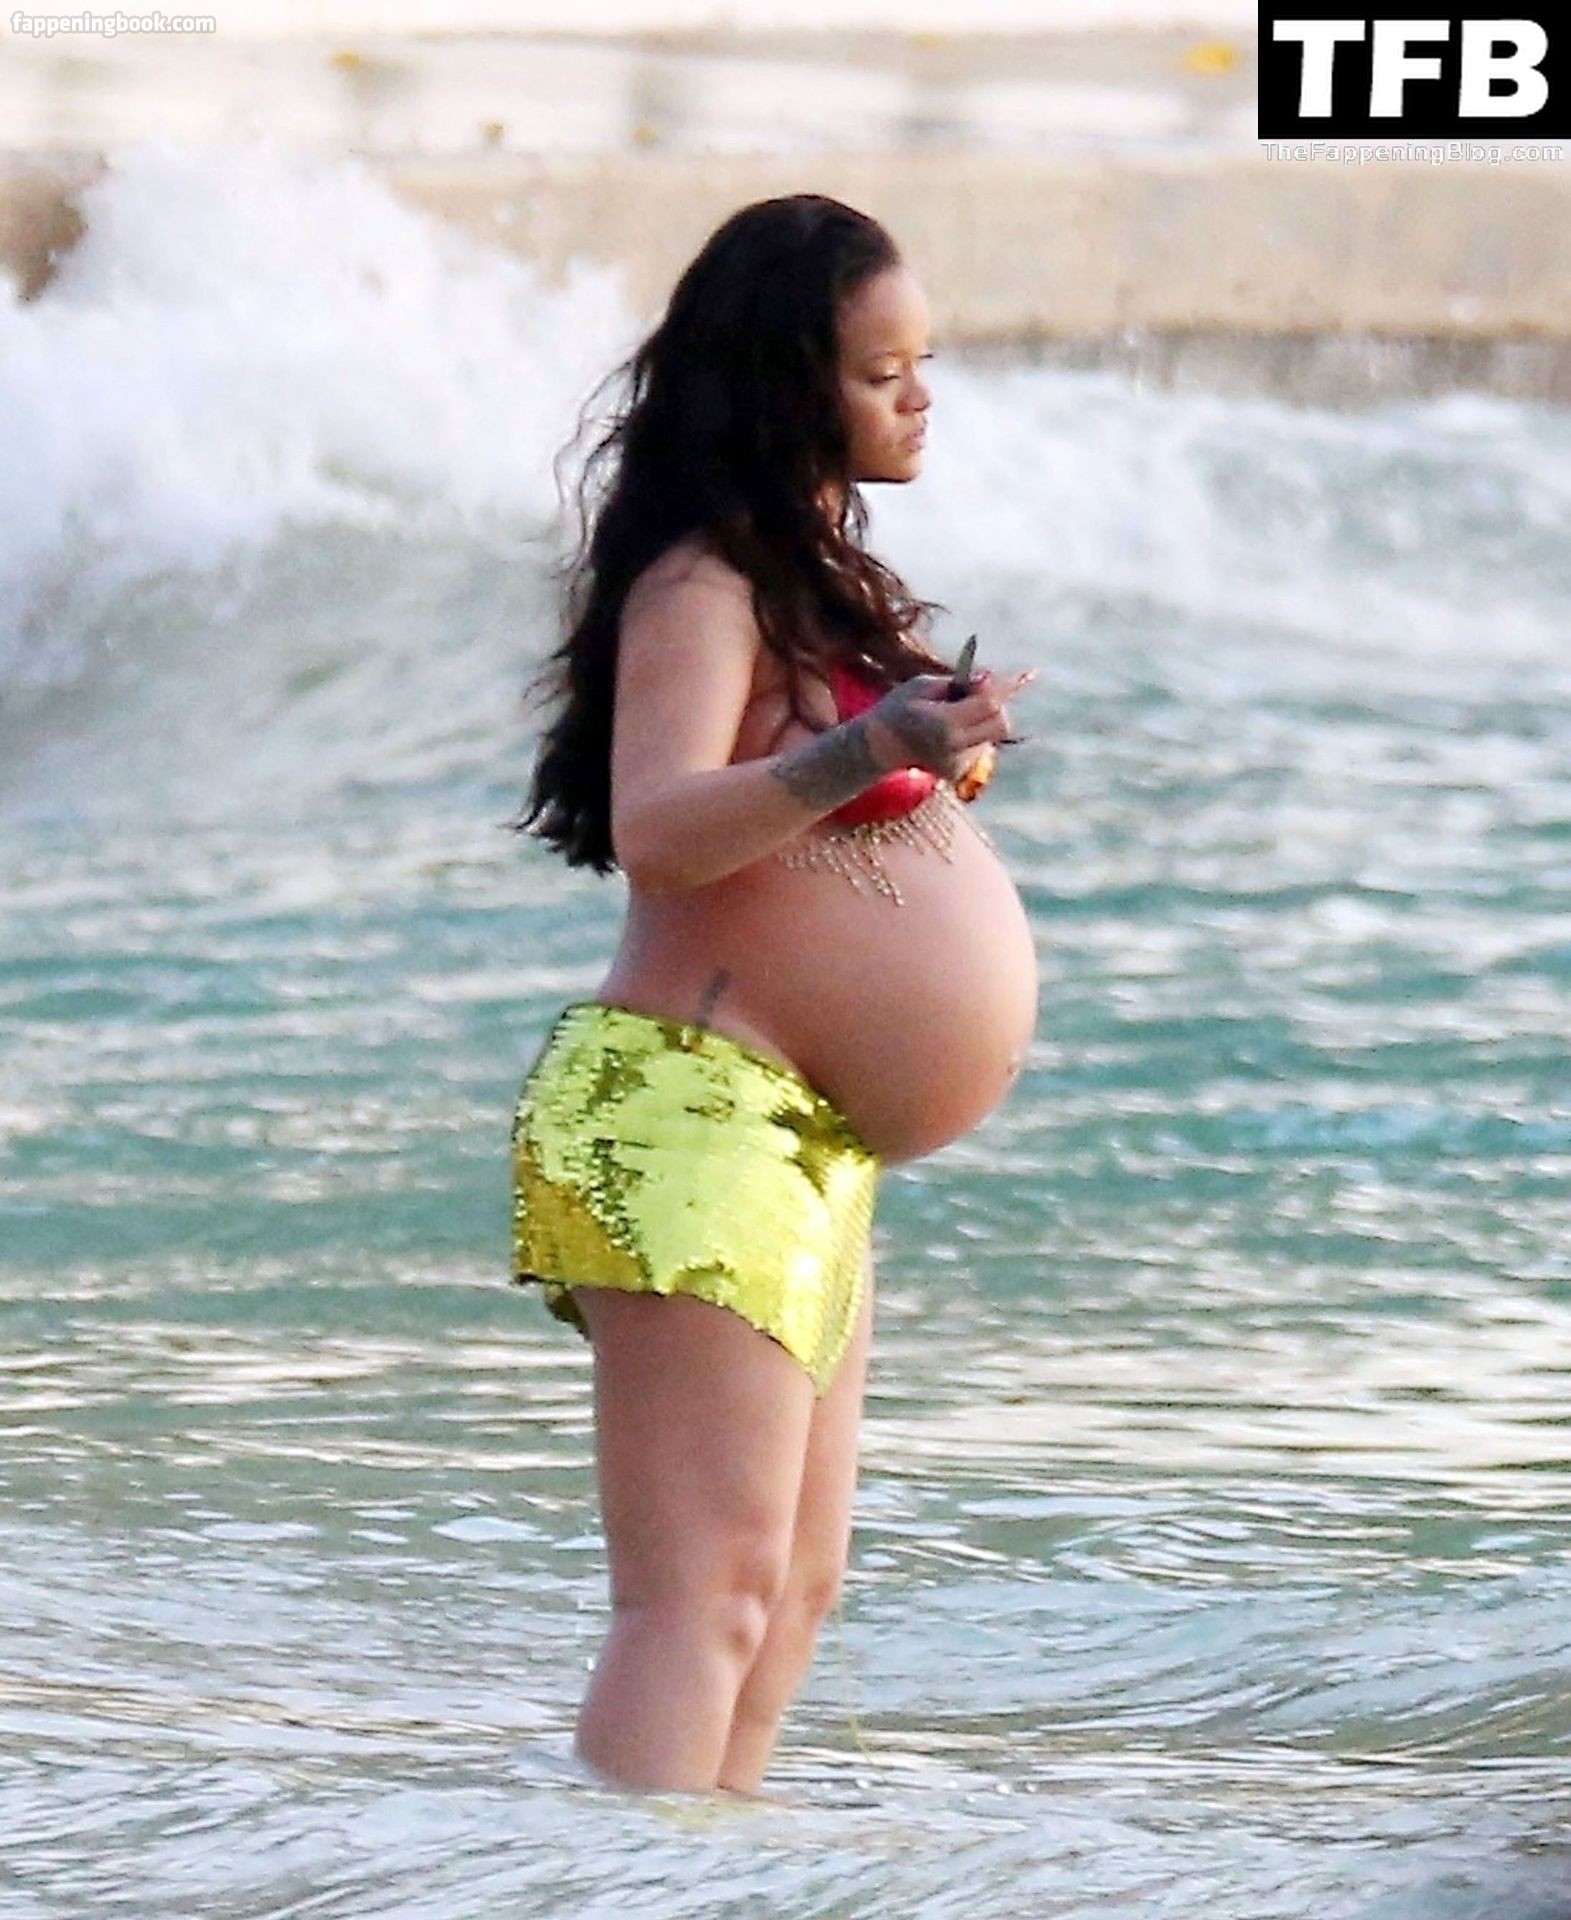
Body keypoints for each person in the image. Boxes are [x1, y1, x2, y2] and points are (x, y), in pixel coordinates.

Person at [507, 192, 1040, 1798]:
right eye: (882, 373)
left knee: (791, 1592)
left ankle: (706, 1887)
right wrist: (871, 748)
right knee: (703, 1599)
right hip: (693, 1114)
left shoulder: (816, 583)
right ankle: (595, 1894)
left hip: (809, 1139)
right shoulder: (705, 583)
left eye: (923, 364)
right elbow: (660, 827)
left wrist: (932, 752)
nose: (920, 398)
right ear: (786, 385)